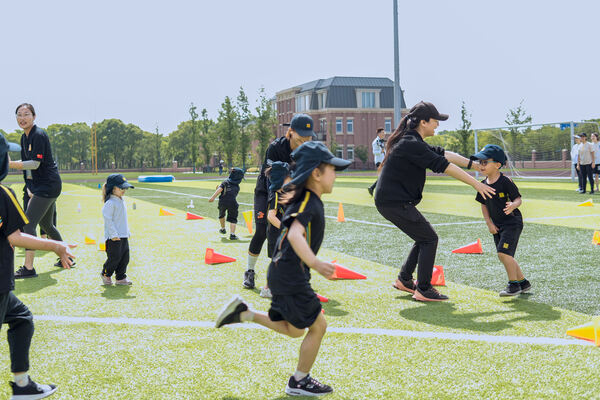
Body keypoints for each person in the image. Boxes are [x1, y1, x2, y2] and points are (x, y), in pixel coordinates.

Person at [215, 141, 351, 397]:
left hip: (284, 273)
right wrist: (316, 263)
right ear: (316, 173)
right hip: (290, 275)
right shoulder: (307, 202)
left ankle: (245, 313)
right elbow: (295, 235)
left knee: (296, 329)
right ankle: (299, 381)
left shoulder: (304, 198)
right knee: (318, 326)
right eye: (332, 169)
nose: (336, 175)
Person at [374, 101, 495, 301]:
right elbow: (445, 165)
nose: (437, 125)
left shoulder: (413, 141)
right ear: (423, 122)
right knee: (430, 238)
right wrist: (477, 184)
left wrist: (475, 164)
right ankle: (423, 289)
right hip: (394, 202)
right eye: (435, 121)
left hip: (391, 200)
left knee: (423, 237)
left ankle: (404, 280)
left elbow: (446, 155)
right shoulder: (411, 144)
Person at [1, 132, 75, 399]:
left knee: (21, 318)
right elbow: (16, 236)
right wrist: (57, 246)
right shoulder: (3, 194)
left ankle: (22, 386)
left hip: (4, 291)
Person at [243, 113, 314, 289]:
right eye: (302, 136)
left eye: (309, 136)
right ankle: (249, 271)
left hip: (290, 192)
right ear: (291, 132)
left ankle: (299, 272)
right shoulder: (275, 148)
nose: (306, 139)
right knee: (261, 231)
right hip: (266, 189)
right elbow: (271, 177)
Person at [8, 103, 67, 279]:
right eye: (19, 115)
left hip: (48, 185)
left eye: (26, 114)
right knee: (47, 225)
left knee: (28, 224)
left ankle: (28, 268)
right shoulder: (24, 137)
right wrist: (31, 188)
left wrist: (11, 164)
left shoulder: (39, 135)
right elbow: (29, 169)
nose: (22, 118)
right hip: (41, 186)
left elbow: (35, 163)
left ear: (34, 117)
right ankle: (66, 257)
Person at [470, 144, 531, 296]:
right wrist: (489, 223)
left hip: (512, 222)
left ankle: (513, 285)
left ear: (497, 165)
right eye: (480, 162)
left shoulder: (505, 181)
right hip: (497, 225)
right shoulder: (483, 184)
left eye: (485, 162)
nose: (481, 165)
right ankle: (523, 282)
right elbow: (484, 205)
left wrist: (513, 205)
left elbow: (518, 199)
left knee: (503, 254)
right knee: (505, 255)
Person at [261, 160, 292, 298]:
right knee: (276, 261)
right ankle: (267, 288)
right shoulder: (275, 194)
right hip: (276, 233)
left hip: (283, 233)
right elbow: (270, 216)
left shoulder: (284, 192)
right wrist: (284, 228)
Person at [101, 174, 134, 286]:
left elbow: (122, 219)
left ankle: (120, 277)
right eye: (121, 188)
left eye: (125, 188)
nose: (124, 190)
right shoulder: (110, 203)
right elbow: (108, 220)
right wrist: (113, 234)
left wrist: (127, 231)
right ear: (113, 188)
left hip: (123, 235)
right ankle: (106, 274)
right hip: (113, 237)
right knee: (114, 258)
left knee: (125, 257)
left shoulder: (121, 200)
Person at [208, 167, 244, 240]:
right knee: (233, 218)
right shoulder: (237, 187)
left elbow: (220, 189)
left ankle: (223, 228)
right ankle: (232, 235)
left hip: (222, 202)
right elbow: (230, 193)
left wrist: (213, 197)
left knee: (221, 214)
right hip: (233, 203)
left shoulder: (225, 182)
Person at [367, 127, 386, 195]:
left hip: (383, 161)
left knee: (383, 176)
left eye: (384, 132)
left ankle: (372, 188)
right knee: (383, 176)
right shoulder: (375, 142)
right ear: (379, 134)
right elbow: (374, 152)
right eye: (383, 132)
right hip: (379, 162)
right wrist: (381, 151)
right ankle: (373, 188)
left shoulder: (382, 141)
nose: (384, 134)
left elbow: (384, 151)